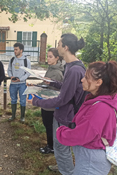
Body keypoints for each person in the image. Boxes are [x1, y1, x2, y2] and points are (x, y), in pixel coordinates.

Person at [27, 33, 86, 174]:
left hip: (66, 116)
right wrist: (52, 82)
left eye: (59, 44)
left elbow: (62, 99)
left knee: (62, 147)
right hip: (63, 114)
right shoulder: (72, 66)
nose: (57, 47)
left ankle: (66, 171)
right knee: (60, 147)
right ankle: (62, 167)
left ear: (65, 47)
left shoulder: (74, 70)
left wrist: (37, 101)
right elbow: (67, 88)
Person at [56, 61, 117, 175]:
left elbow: (83, 134)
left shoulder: (100, 107)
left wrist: (60, 132)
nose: (82, 80)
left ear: (98, 82)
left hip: (90, 164)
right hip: (89, 160)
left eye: (86, 78)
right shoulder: (100, 100)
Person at [29, 48, 64, 154]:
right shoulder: (51, 68)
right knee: (47, 124)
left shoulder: (57, 72)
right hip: (46, 102)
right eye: (47, 56)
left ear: (57, 58)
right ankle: (50, 145)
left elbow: (54, 89)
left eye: (50, 56)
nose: (48, 59)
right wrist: (34, 85)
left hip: (51, 104)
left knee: (50, 126)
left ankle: (51, 147)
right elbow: (45, 83)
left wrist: (38, 89)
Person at [7, 43, 31, 123]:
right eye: (14, 49)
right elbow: (9, 70)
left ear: (21, 50)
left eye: (16, 49)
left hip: (22, 84)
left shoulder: (26, 61)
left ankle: (22, 117)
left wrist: (20, 79)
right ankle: (13, 116)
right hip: (13, 84)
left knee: (23, 100)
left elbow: (28, 73)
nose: (15, 51)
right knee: (13, 100)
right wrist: (11, 76)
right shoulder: (12, 60)